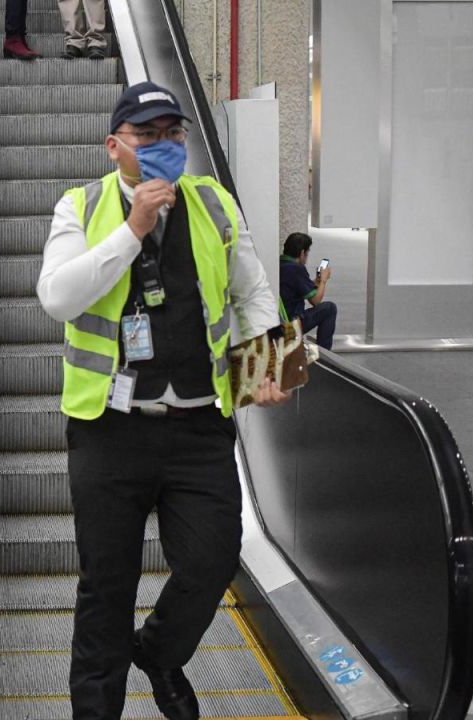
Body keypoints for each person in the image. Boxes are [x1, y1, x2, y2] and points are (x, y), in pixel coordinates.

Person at [36, 82, 289, 720]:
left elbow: (252, 289)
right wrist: (132, 229)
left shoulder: (213, 201)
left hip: (200, 426)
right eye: (147, 136)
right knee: (107, 589)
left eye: (173, 134)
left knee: (211, 562)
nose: (164, 147)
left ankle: (157, 651)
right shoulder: (81, 205)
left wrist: (266, 365)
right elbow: (58, 298)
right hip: (109, 430)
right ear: (114, 145)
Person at [278, 232, 337, 350]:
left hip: (280, 321)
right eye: (307, 253)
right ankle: (324, 353)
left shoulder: (281, 263)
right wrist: (324, 280)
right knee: (329, 308)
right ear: (302, 253)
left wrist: (317, 281)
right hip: (291, 325)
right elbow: (315, 301)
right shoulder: (296, 268)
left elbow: (301, 287)